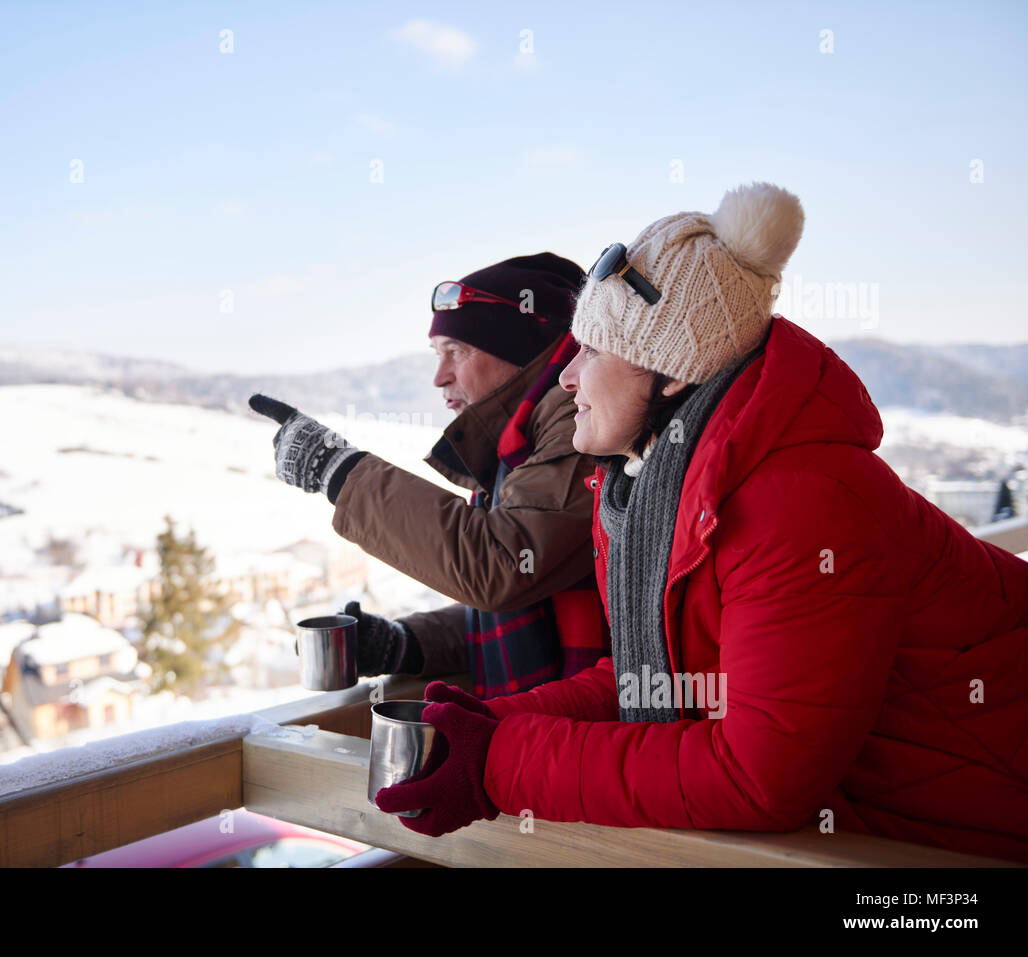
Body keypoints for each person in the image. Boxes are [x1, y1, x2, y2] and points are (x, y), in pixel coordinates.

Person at [374, 183, 1028, 864]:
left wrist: (500, 763)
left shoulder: (800, 500)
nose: (568, 377)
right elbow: (665, 680)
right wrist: (492, 724)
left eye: (594, 351)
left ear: (674, 375)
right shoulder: (653, 489)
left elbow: (758, 775)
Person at [249, 253, 607, 698]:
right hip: (549, 731)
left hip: (580, 735)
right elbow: (520, 612)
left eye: (456, 351)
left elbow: (504, 566)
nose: (439, 377)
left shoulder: (579, 420)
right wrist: (405, 645)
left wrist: (337, 469)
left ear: (518, 346)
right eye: (438, 354)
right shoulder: (516, 443)